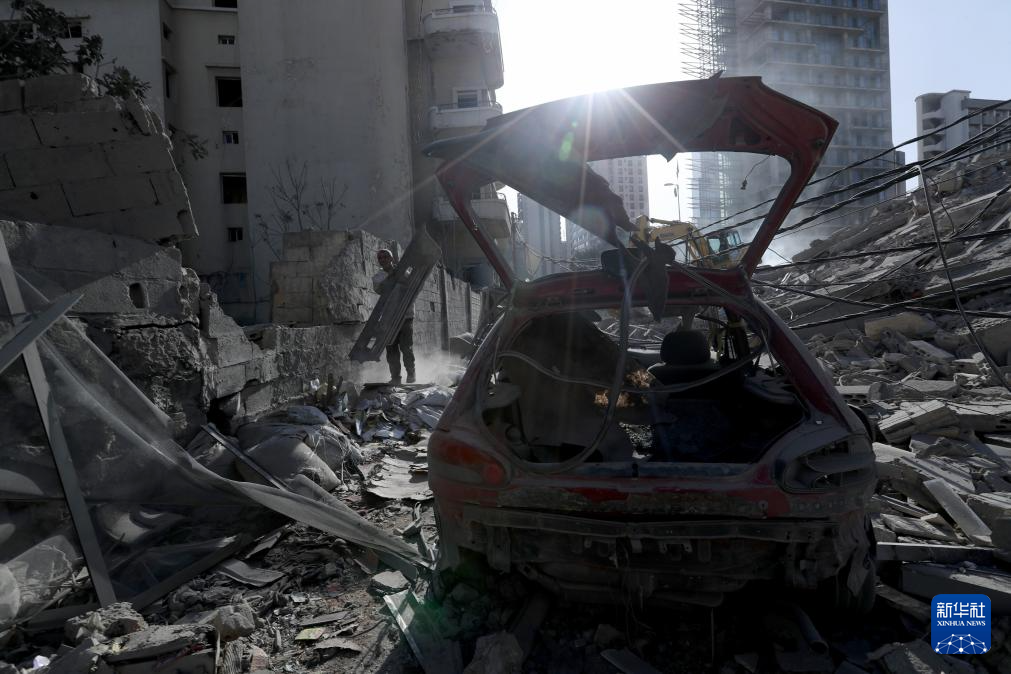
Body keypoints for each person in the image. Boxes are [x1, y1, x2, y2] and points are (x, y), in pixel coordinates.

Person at [372, 248, 416, 384]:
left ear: (391, 258)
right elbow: (381, 288)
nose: (383, 259)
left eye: (386, 257)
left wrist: (399, 274)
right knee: (391, 349)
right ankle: (395, 378)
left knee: (406, 348)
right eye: (380, 258)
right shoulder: (378, 277)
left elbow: (411, 284)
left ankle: (411, 374)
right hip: (389, 318)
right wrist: (394, 275)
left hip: (405, 315)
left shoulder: (403, 271)